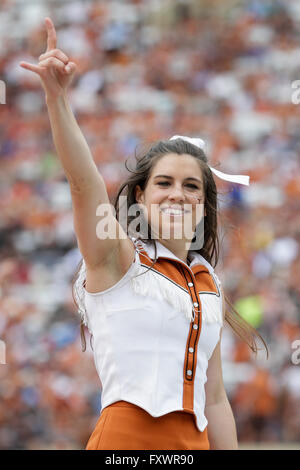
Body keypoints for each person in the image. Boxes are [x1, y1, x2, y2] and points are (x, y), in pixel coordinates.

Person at [20, 17, 267, 451]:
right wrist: (57, 100)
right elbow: (84, 184)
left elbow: (215, 399)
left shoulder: (209, 281)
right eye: (164, 183)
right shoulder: (118, 257)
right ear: (140, 195)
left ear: (203, 204)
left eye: (191, 186)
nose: (178, 194)